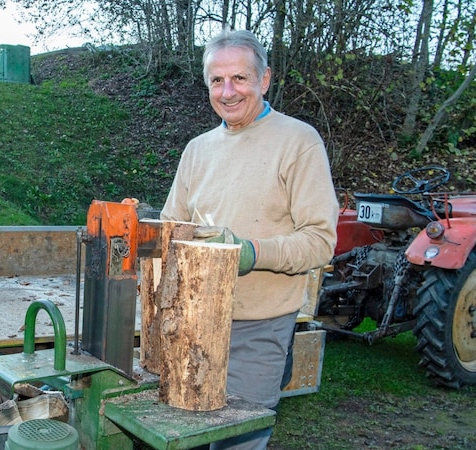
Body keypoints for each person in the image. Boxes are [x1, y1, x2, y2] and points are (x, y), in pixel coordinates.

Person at [160, 29, 338, 450]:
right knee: (183, 436)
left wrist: (251, 252)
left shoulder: (298, 141)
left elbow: (319, 241)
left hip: (259, 327)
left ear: (265, 80)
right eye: (217, 81)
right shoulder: (197, 150)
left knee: (238, 441)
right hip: (191, 323)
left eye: (240, 78)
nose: (228, 91)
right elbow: (171, 226)